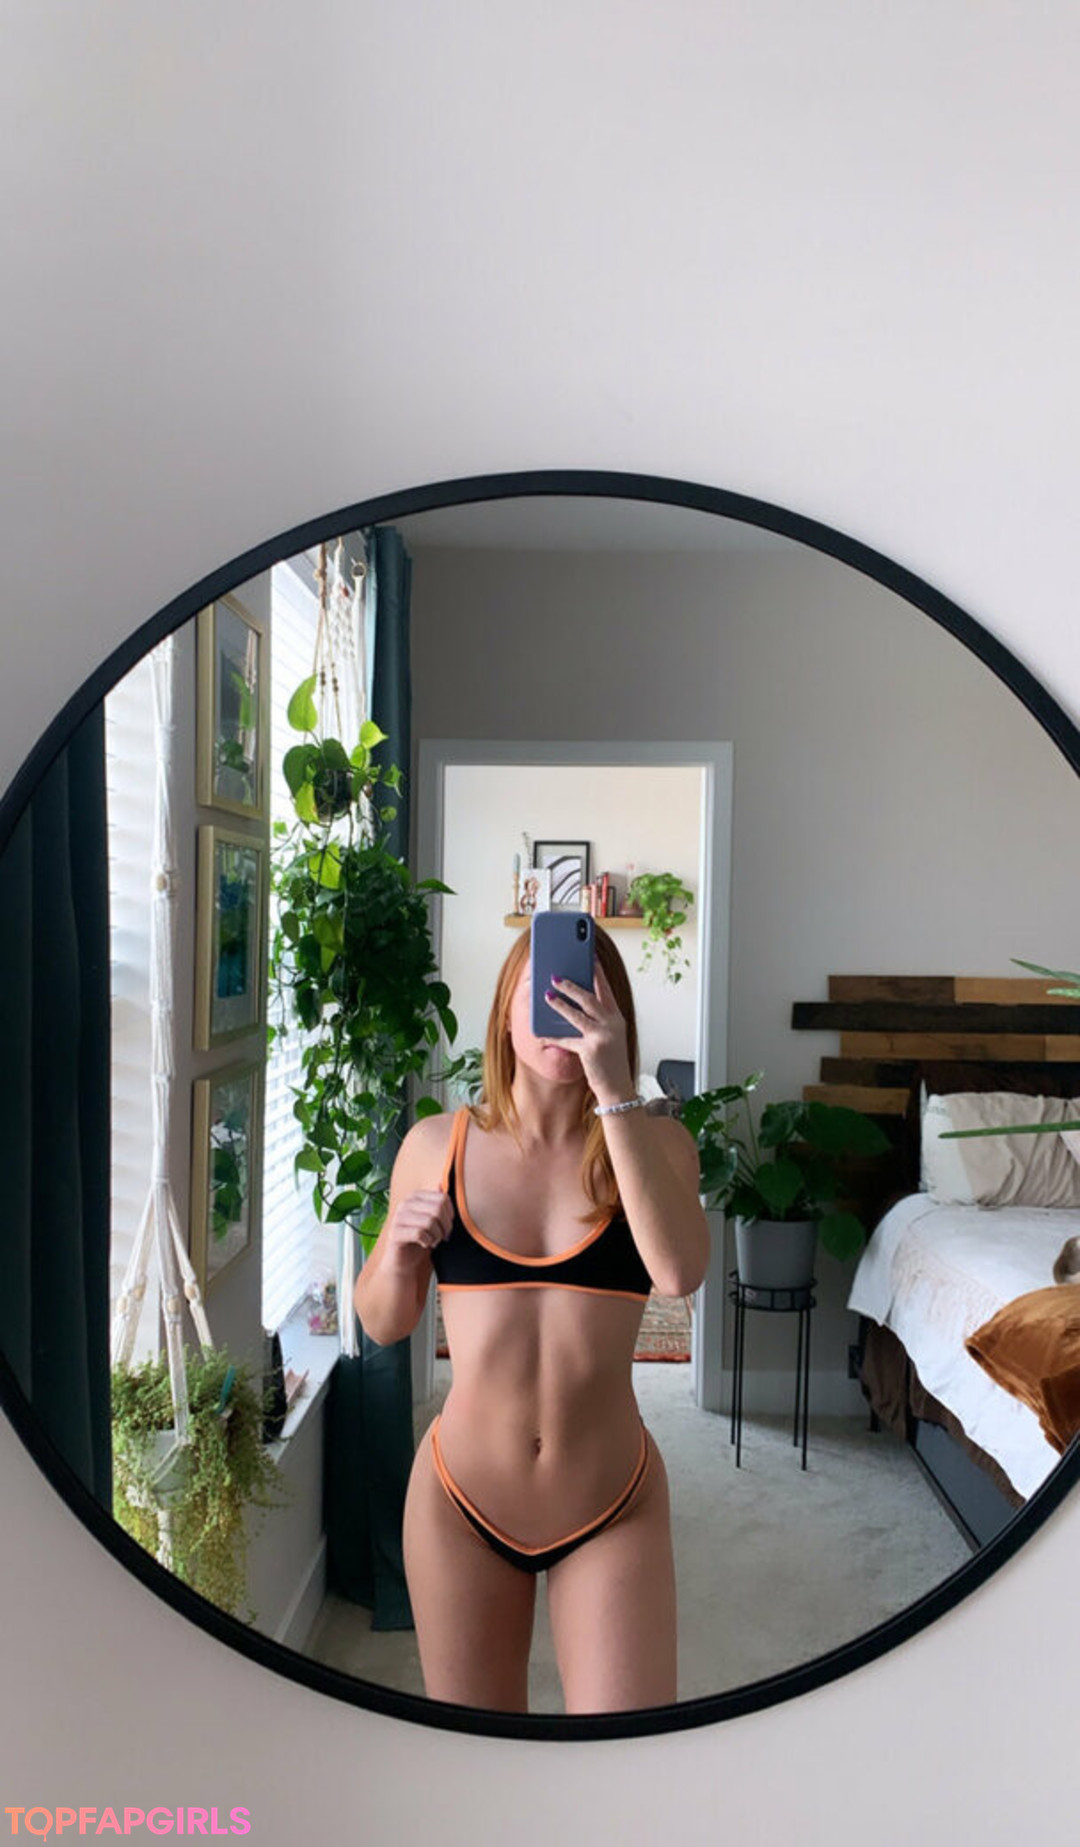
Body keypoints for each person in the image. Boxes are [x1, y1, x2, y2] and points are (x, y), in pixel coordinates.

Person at [353, 927, 710, 1714]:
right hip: (460, 1502)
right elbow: (382, 1322)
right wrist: (398, 1253)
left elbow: (678, 1273)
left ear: (617, 1015)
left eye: (586, 991)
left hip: (612, 1500)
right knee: (482, 1766)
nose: (564, 1008)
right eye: (543, 991)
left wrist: (613, 1088)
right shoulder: (435, 1145)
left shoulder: (660, 1146)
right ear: (502, 1015)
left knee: (623, 1760)